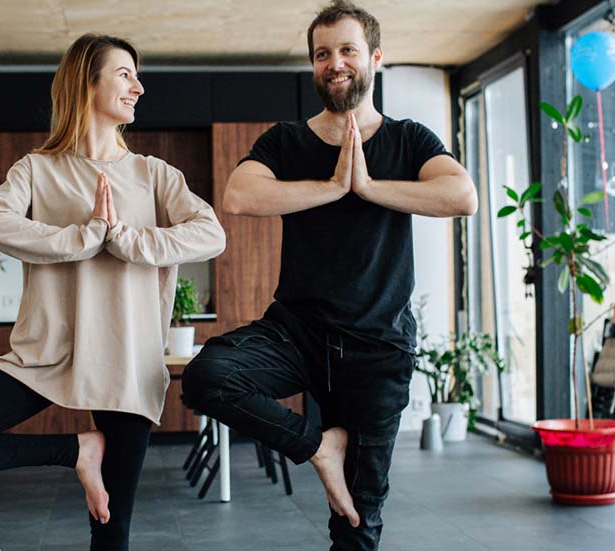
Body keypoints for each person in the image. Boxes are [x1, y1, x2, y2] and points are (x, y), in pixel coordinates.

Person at [0, 33, 225, 551]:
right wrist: (84, 236)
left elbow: (211, 234)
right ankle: (78, 450)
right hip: (45, 356)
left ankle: (89, 460)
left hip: (125, 364)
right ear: (86, 82)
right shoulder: (37, 169)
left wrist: (126, 239)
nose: (138, 87)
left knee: (110, 532)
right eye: (125, 74)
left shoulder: (153, 174)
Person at [181, 1, 477, 549]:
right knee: (207, 377)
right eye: (322, 54)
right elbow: (239, 195)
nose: (334, 63)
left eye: (347, 50)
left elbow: (462, 196)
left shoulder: (408, 139)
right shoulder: (287, 141)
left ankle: (337, 468)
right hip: (296, 333)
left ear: (375, 59)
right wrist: (333, 187)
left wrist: (368, 187)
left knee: (358, 524)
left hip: (377, 348)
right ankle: (319, 447)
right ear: (313, 66)